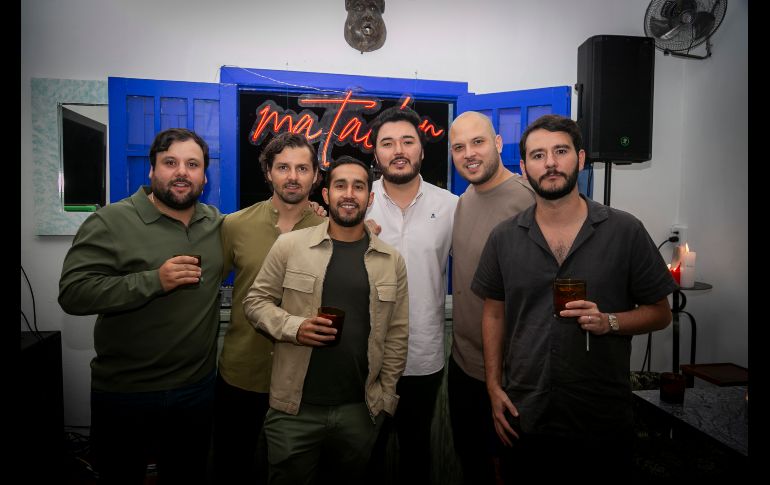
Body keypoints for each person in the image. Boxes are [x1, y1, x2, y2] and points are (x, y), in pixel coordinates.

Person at [472, 114, 677, 481]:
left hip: (600, 419)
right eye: (537, 155)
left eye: (560, 151)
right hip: (525, 413)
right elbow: (493, 315)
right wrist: (492, 387)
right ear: (523, 166)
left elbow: (661, 313)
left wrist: (609, 321)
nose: (549, 162)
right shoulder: (504, 238)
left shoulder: (625, 231)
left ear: (580, 159)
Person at [58, 128, 223, 484]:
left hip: (196, 389)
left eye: (192, 164)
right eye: (170, 162)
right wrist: (153, 281)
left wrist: (313, 210)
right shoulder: (110, 221)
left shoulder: (216, 223)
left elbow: (265, 227)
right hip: (124, 393)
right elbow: (73, 292)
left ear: (204, 176)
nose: (182, 172)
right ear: (152, 171)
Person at [242, 156, 409, 485]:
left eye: (359, 186)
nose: (349, 194)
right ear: (326, 195)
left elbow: (397, 335)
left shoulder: (391, 260)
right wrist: (295, 327)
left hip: (360, 412)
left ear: (370, 197)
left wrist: (385, 400)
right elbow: (255, 302)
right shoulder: (290, 246)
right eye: (341, 185)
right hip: (294, 411)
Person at [214, 132, 325, 484]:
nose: (293, 176)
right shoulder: (235, 225)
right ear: (268, 173)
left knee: (296, 471)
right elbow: (208, 284)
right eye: (283, 167)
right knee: (233, 466)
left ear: (315, 176)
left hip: (305, 377)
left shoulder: (330, 228)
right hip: (242, 371)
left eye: (302, 168)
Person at [365, 106, 458, 485]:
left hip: (423, 355)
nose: (398, 150)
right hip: (364, 355)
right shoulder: (356, 202)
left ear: (422, 150)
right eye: (387, 143)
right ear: (376, 154)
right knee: (363, 455)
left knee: (417, 453)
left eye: (407, 141)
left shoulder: (450, 206)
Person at [446, 111, 535, 484]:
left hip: (511, 376)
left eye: (478, 142)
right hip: (464, 365)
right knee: (473, 465)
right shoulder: (464, 199)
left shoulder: (527, 201)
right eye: (459, 147)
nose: (469, 154)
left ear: (498, 144)